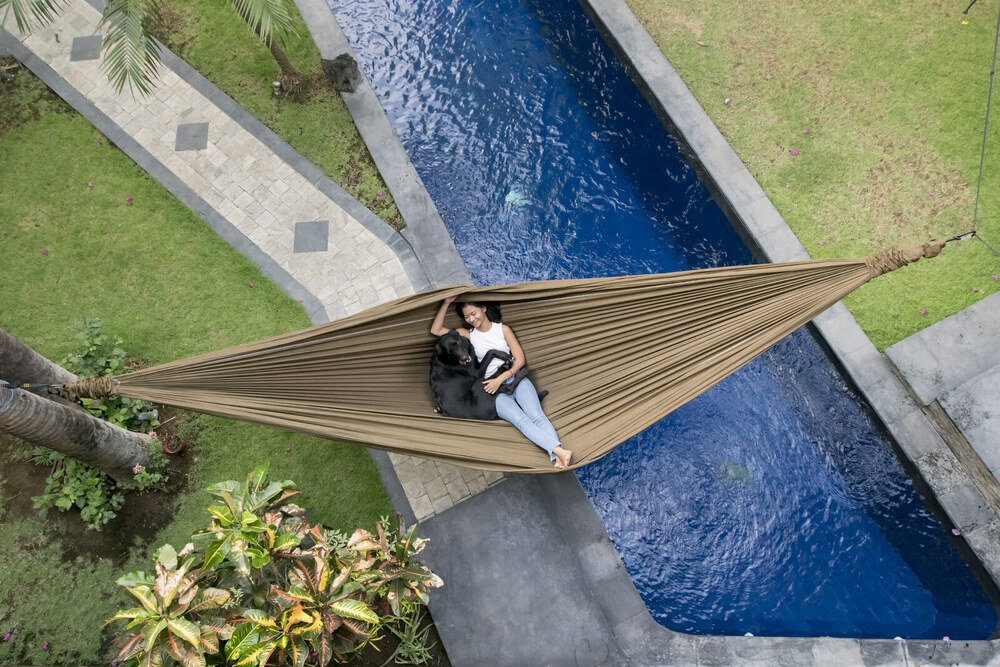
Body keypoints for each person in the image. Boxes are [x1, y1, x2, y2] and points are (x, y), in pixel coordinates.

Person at [430, 296, 573, 469]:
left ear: (483, 308)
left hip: (513, 377)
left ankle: (557, 455)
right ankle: (559, 454)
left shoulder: (502, 329)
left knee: (537, 416)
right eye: (467, 317)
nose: (471, 319)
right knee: (521, 421)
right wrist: (446, 303)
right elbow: (436, 330)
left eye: (473, 313)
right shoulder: (468, 335)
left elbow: (519, 360)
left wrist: (501, 378)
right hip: (491, 390)